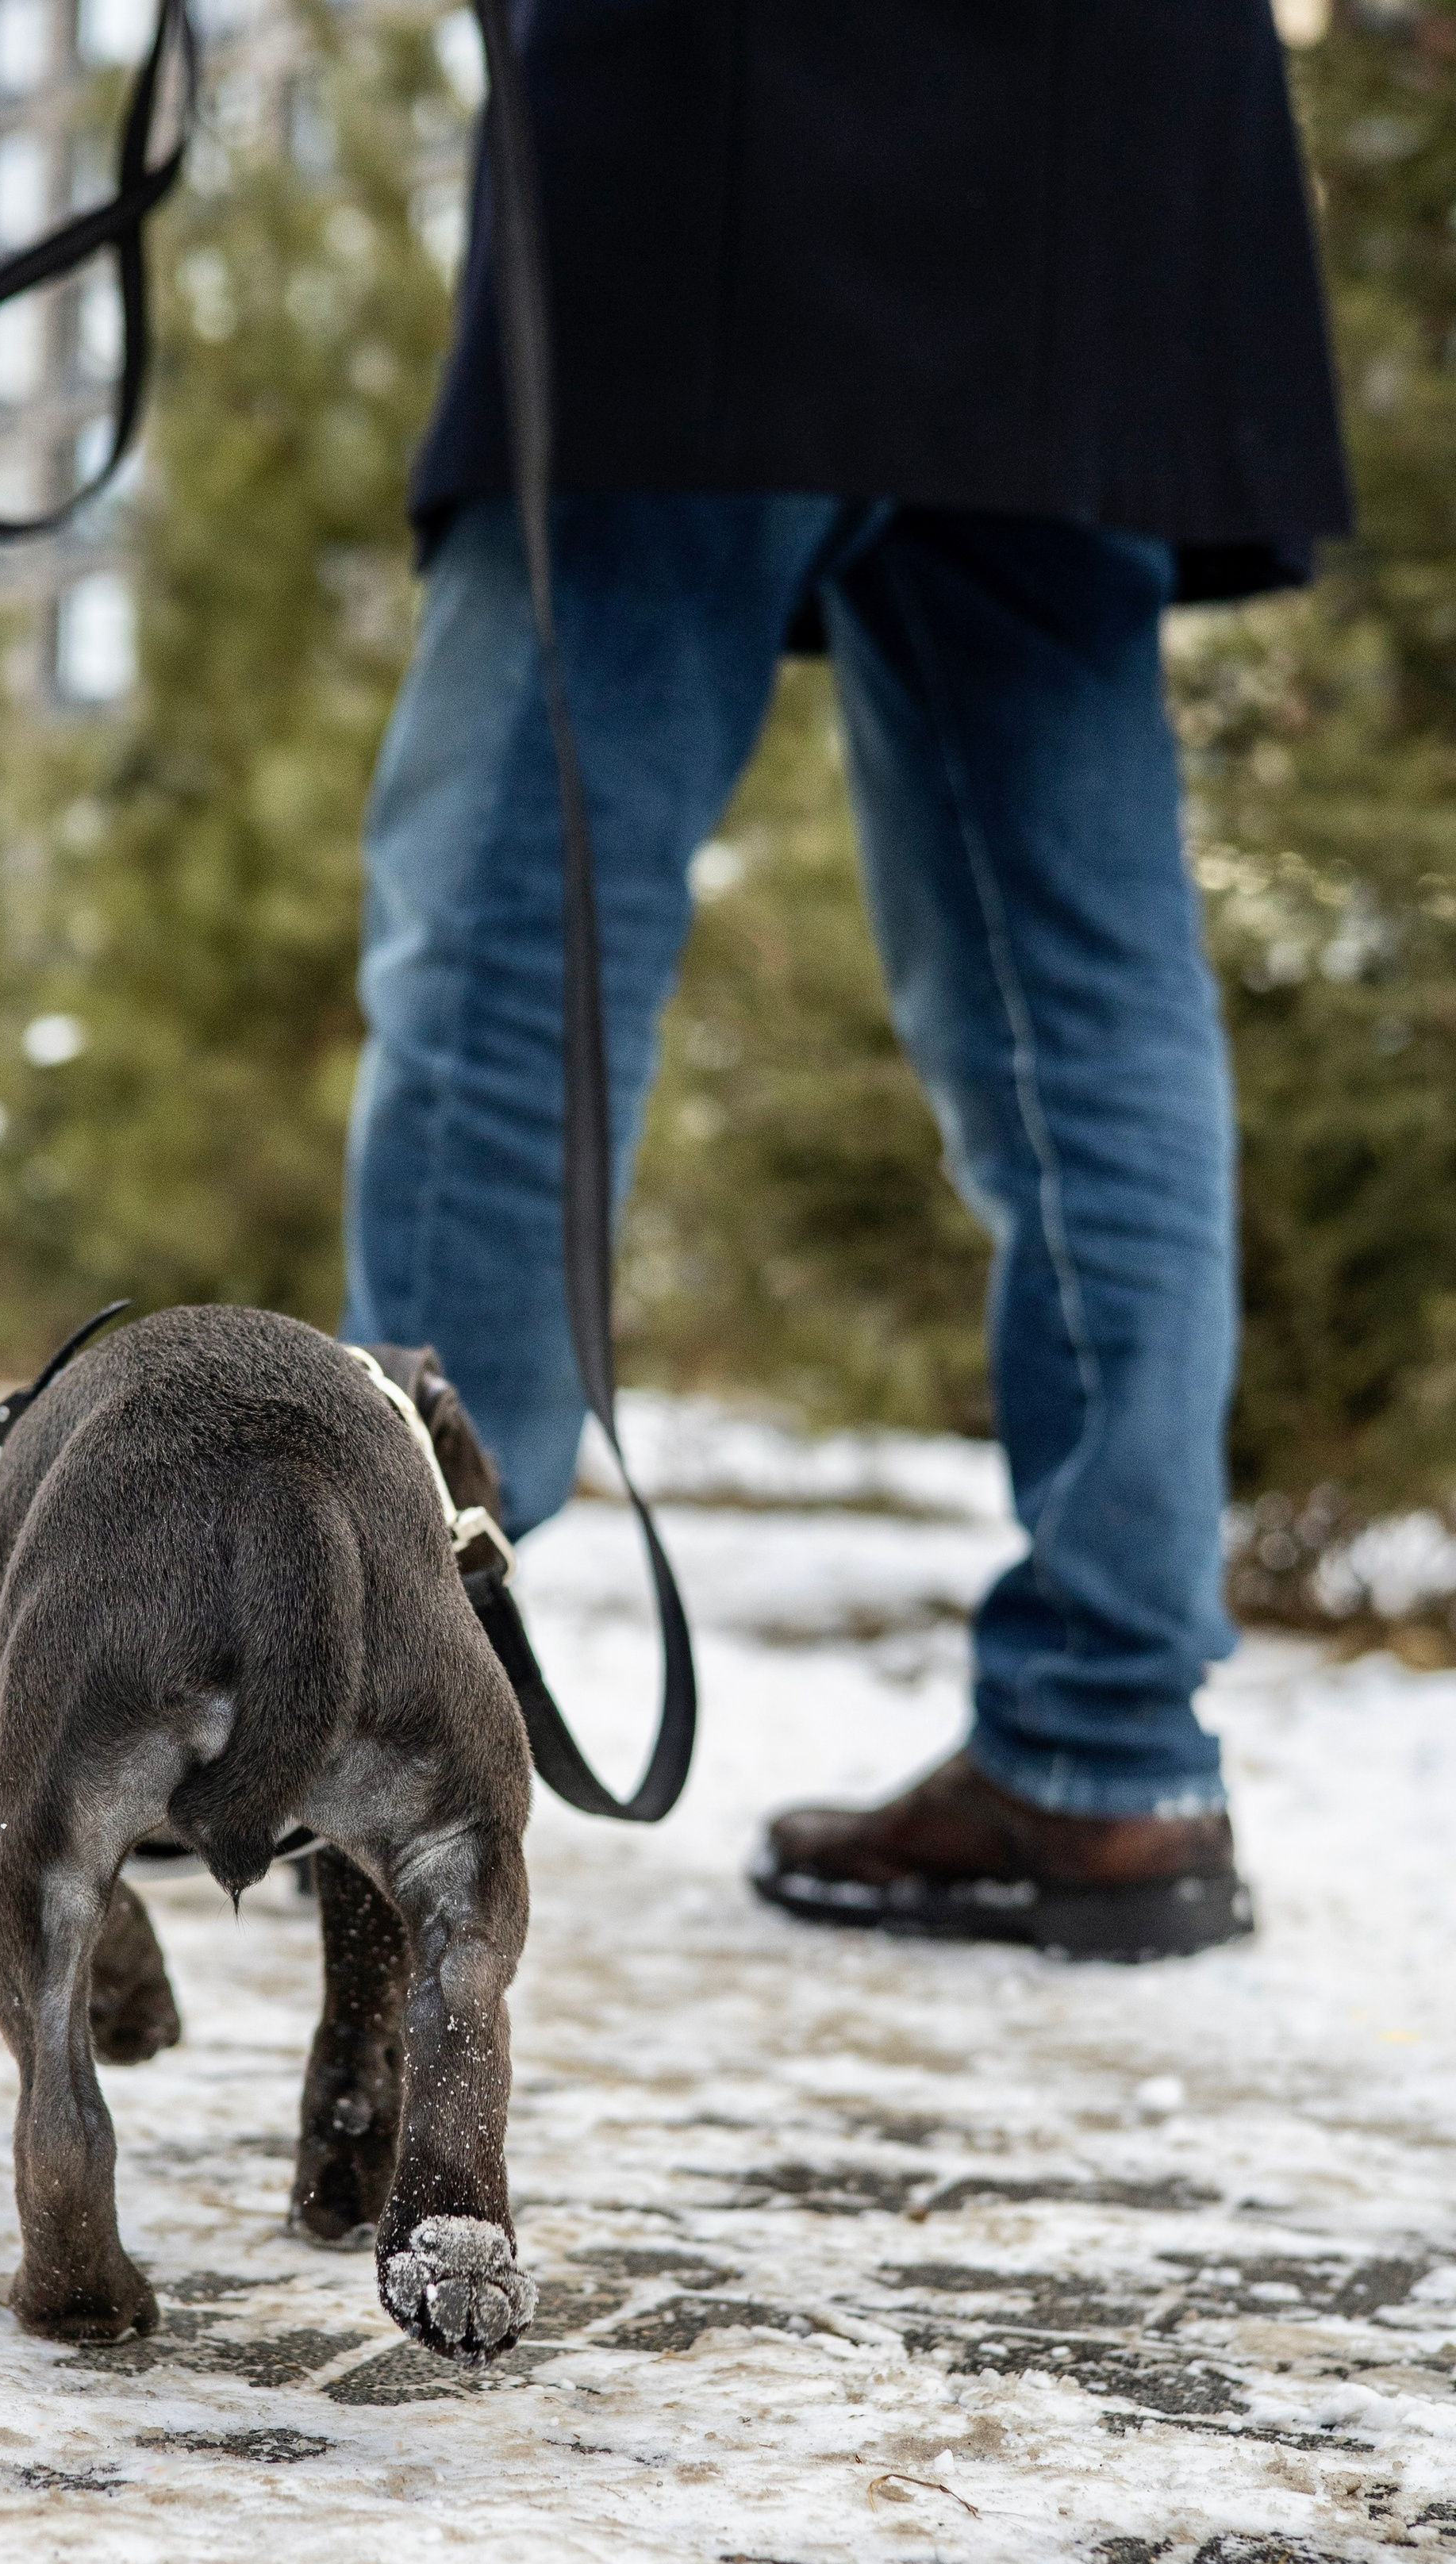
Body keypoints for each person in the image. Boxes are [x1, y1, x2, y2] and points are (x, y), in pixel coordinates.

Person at [340, 0, 1350, 1963]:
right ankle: (1106, 1752)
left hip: (728, 92)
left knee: (525, 895)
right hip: (1108, 127)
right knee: (1082, 982)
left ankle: (384, 1662)